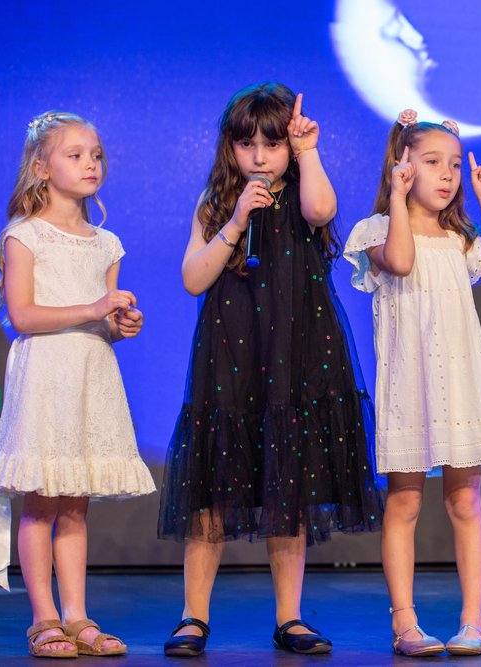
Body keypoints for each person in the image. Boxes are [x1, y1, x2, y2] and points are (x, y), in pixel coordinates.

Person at [158, 82, 383, 657]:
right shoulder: (217, 202)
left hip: (297, 349)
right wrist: (235, 221)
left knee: (290, 482)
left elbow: (322, 211)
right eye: (247, 144)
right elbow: (193, 278)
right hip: (232, 351)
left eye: (272, 144)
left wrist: (308, 151)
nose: (259, 156)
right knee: (211, 486)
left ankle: (290, 617)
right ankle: (193, 615)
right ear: (229, 148)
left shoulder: (304, 188)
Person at [0, 111, 155, 658]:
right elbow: (24, 316)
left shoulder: (107, 243)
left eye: (95, 154)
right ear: (41, 167)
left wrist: (119, 325)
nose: (90, 164)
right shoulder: (25, 236)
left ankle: (77, 616)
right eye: (74, 155)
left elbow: (103, 321)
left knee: (75, 504)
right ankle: (43, 617)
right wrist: (94, 308)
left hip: (89, 376)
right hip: (46, 375)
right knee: (42, 501)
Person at [344, 110, 481, 657]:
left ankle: (473, 620)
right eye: (432, 162)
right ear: (402, 166)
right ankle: (405, 622)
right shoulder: (377, 229)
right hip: (409, 387)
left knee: (465, 500)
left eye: (454, 165)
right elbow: (399, 261)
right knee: (404, 502)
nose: (447, 175)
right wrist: (397, 198)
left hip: (460, 384)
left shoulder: (458, 237)